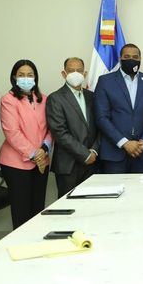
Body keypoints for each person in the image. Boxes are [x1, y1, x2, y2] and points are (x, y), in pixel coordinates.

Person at [0, 60, 52, 229]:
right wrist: (35, 154)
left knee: (37, 210)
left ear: (35, 77)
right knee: (21, 212)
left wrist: (44, 148)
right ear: (14, 77)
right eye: (21, 75)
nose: (26, 78)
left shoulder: (44, 99)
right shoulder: (8, 100)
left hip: (42, 162)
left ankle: (35, 247)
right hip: (16, 164)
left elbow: (51, 129)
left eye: (30, 75)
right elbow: (12, 132)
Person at [94, 43, 143, 173]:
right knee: (116, 192)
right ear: (120, 59)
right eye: (127, 56)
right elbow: (101, 117)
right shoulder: (105, 81)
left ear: (140, 59)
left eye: (135, 57)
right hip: (114, 153)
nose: (131, 59)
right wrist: (124, 142)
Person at [46, 57, 99, 198]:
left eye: (79, 70)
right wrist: (85, 154)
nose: (75, 73)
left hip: (93, 163)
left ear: (85, 74)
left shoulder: (92, 96)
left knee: (93, 207)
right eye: (71, 71)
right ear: (64, 74)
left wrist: (94, 150)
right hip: (68, 165)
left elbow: (100, 126)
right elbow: (59, 132)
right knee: (69, 209)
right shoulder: (55, 98)